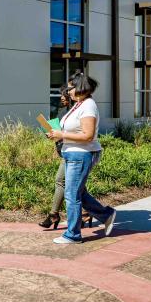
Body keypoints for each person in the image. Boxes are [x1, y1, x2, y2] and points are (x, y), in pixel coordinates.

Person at [47, 72, 116, 244]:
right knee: (79, 193)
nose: (67, 91)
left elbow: (88, 135)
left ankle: (73, 234)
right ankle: (106, 215)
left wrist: (62, 134)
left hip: (81, 154)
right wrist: (57, 135)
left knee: (71, 195)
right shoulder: (79, 105)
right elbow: (74, 131)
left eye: (70, 88)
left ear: (79, 87)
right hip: (72, 153)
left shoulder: (88, 106)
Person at [38, 84, 93, 229]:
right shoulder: (64, 111)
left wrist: (61, 135)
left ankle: (54, 214)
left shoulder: (79, 110)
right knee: (75, 184)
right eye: (61, 94)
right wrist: (52, 134)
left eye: (65, 94)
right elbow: (60, 130)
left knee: (61, 181)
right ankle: (87, 212)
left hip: (76, 151)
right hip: (65, 150)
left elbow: (84, 133)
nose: (62, 97)